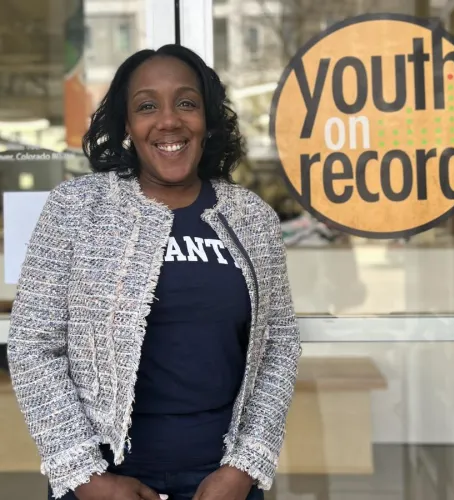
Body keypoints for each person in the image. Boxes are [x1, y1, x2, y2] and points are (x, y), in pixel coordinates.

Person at [7, 44, 301, 500]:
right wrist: (86, 477)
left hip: (221, 478)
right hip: (102, 478)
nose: (168, 121)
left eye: (186, 103)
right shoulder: (77, 209)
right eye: (147, 106)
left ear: (207, 120)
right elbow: (33, 345)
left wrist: (244, 467)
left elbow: (278, 346)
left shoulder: (251, 217)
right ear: (127, 125)